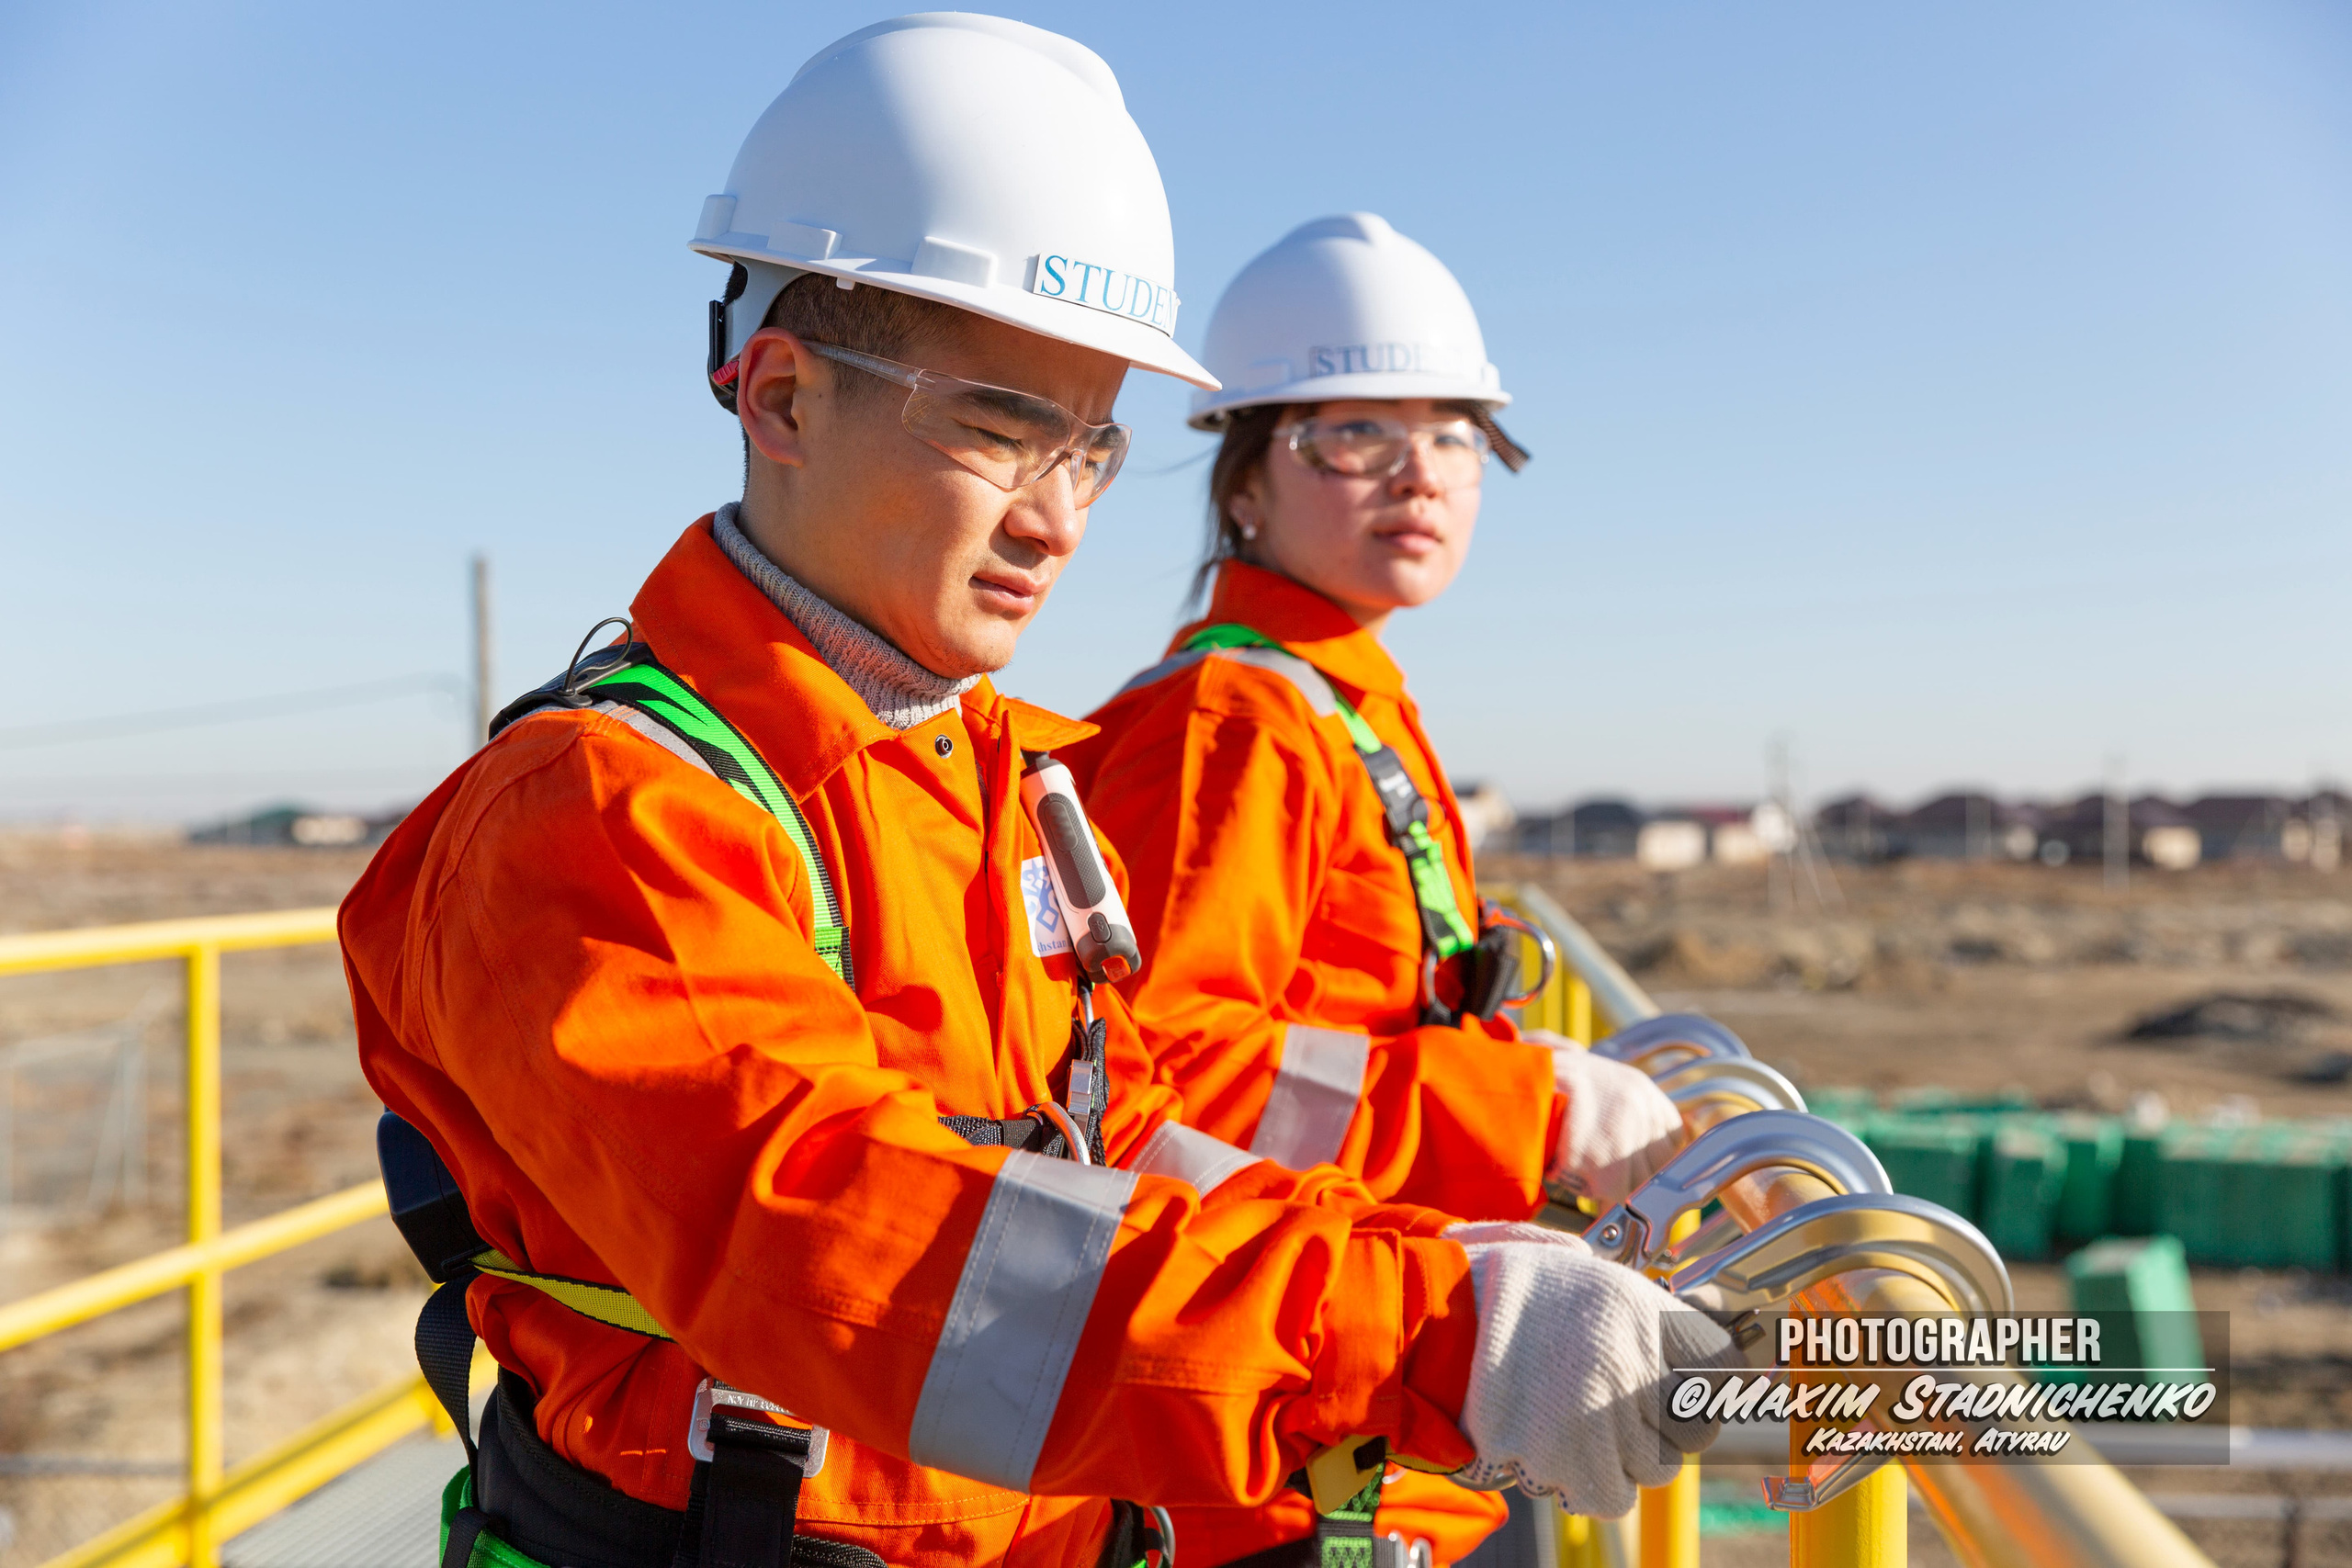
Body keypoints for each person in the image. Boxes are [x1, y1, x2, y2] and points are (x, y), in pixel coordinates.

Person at [345, 22, 1727, 1568]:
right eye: (1002, 428)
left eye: (1091, 446)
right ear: (782, 397)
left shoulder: (986, 776)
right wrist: (1418, 1332)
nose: (1058, 516)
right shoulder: (596, 813)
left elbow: (1108, 1131)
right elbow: (826, 1236)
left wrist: (1439, 1263)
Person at [1063, 215, 1691, 1567]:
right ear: (1243, 480)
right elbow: (1163, 1078)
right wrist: (1534, 1105)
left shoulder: (1338, 696)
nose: (1417, 474)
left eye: (1453, 435)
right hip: (1297, 1446)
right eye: (1353, 434)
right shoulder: (1229, 723)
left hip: (1384, 1391)